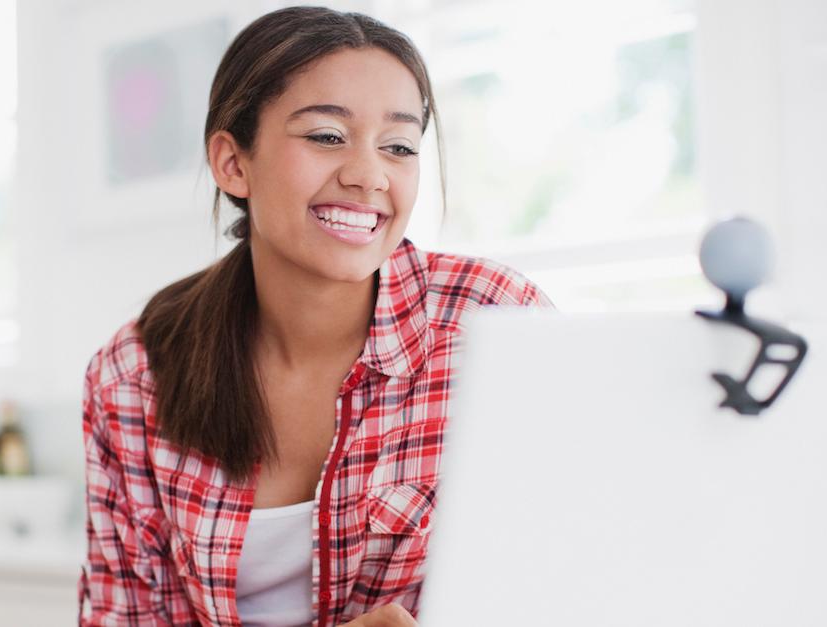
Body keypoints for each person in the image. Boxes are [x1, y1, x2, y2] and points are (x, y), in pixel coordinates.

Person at [78, 6, 551, 626]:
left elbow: (585, 561)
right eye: (327, 136)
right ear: (233, 163)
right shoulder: (134, 375)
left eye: (400, 146)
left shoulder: (491, 323)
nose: (367, 175)